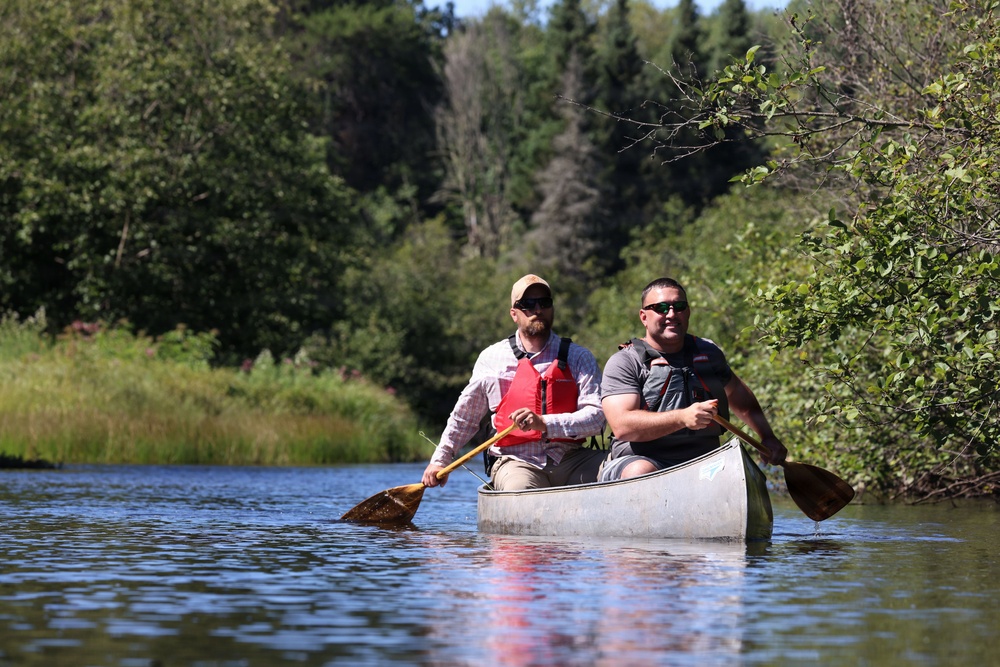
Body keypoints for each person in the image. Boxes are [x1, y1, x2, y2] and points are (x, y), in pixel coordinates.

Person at [422, 274, 606, 491]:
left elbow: (597, 418)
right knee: (521, 492)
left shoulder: (579, 357)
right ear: (514, 314)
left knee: (622, 469)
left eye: (544, 302)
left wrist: (544, 423)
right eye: (527, 304)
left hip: (572, 459)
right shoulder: (491, 359)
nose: (537, 309)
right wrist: (440, 460)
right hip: (515, 462)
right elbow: (465, 418)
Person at [599, 277, 787, 481]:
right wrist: (682, 418)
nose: (671, 314)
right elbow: (622, 426)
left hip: (702, 460)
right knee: (641, 472)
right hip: (641, 459)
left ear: (688, 312)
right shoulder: (625, 362)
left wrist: (767, 436)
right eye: (661, 308)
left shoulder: (708, 353)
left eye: (679, 306)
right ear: (644, 317)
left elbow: (742, 401)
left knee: (739, 469)